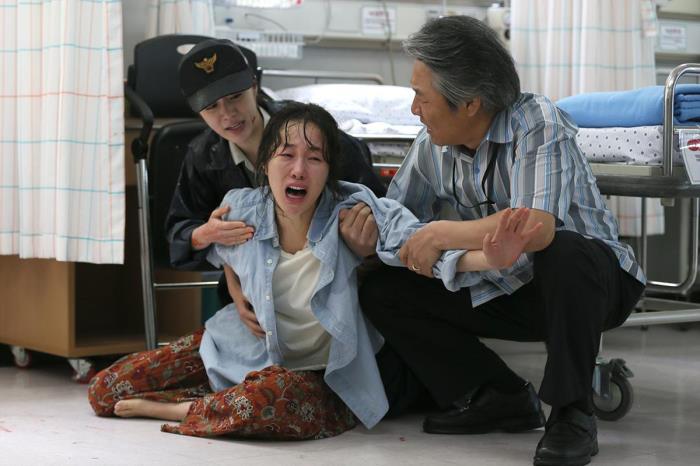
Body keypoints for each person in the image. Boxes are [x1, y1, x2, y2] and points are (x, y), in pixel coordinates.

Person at [90, 102, 527, 438]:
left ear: (329, 170)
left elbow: (422, 247)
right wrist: (233, 282)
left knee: (270, 400)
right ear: (265, 163)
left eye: (315, 158)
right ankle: (220, 401)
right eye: (286, 155)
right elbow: (221, 252)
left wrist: (489, 258)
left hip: (319, 379)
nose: (299, 169)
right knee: (106, 389)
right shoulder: (241, 207)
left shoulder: (354, 211)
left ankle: (184, 409)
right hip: (244, 349)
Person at [352, 16, 645, 466]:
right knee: (382, 289)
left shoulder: (537, 121)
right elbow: (396, 218)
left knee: (563, 250)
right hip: (506, 283)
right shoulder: (432, 144)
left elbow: (537, 228)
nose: (414, 109)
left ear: (470, 103)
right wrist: (367, 232)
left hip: (591, 286)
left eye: (421, 97)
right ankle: (498, 395)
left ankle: (571, 413)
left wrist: (441, 233)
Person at [166, 38, 385, 305]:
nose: (228, 114)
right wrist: (205, 235)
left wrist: (365, 242)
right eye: (211, 106)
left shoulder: (310, 130)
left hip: (333, 286)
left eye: (235, 97)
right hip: (252, 292)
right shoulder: (203, 157)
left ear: (254, 87)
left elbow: (379, 210)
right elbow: (179, 232)